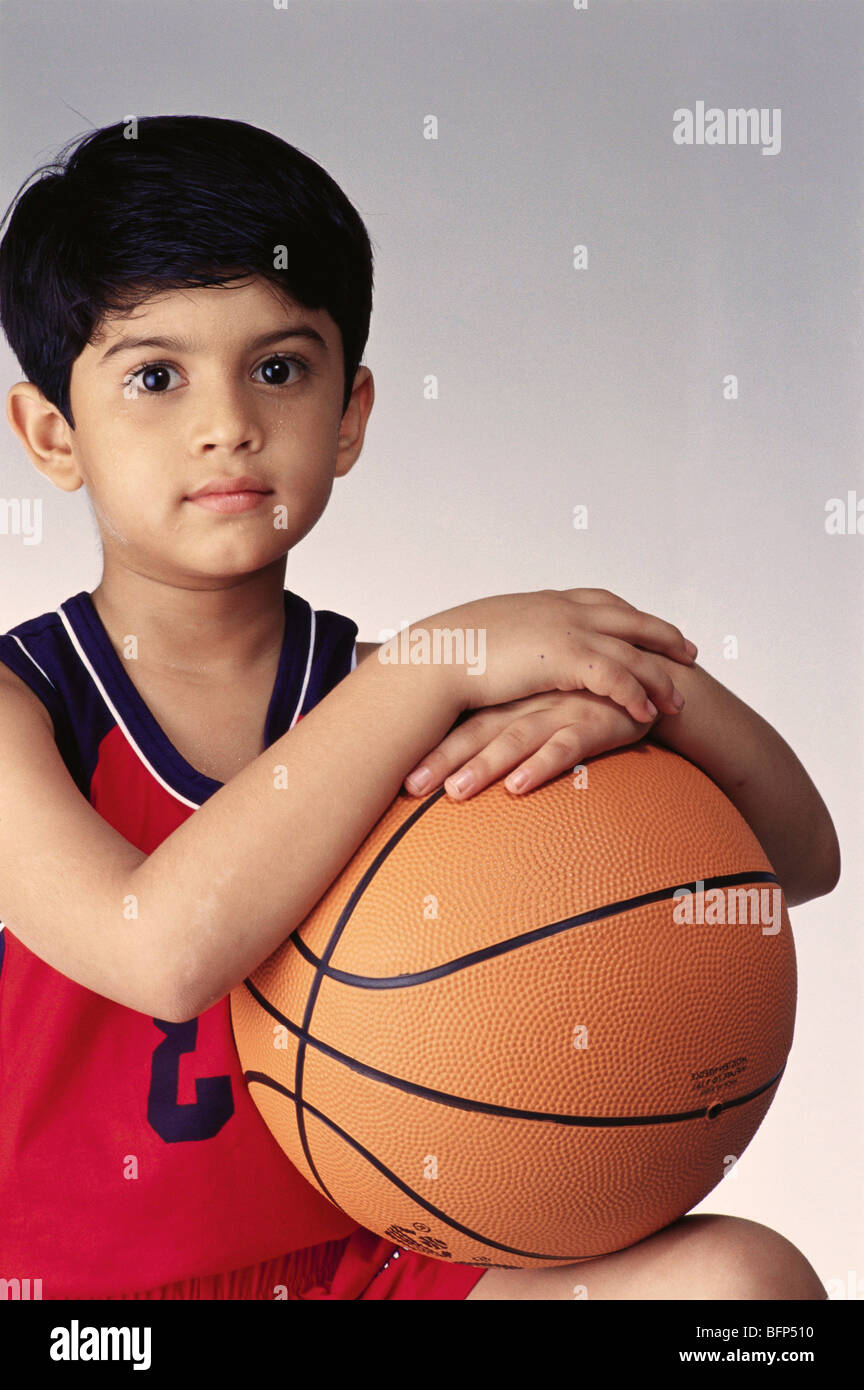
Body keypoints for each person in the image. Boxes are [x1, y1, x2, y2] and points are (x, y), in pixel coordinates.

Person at [0, 115, 837, 1301]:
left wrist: (641, 704)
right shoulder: (29, 706)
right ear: (51, 433)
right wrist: (439, 666)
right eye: (155, 375)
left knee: (740, 1288)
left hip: (371, 1274)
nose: (228, 419)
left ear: (350, 416)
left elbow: (798, 859)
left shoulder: (407, 696)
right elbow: (159, 949)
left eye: (279, 367)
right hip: (81, 1315)